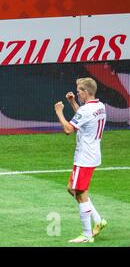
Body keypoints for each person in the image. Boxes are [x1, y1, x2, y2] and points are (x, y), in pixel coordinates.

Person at [54, 77, 108, 243]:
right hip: (92, 154)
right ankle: (98, 220)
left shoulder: (86, 110)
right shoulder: (100, 106)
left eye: (78, 92)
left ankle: (86, 235)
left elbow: (69, 129)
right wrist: (72, 104)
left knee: (79, 192)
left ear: (86, 92)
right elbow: (84, 118)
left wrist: (59, 112)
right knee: (72, 189)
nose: (77, 95)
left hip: (84, 157)